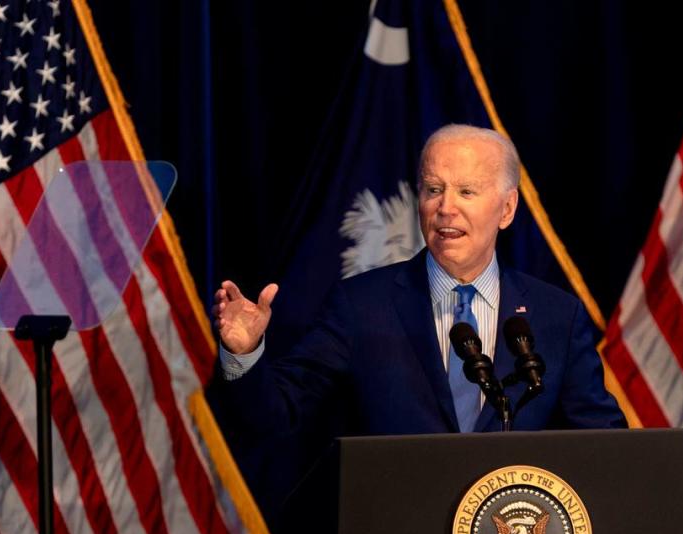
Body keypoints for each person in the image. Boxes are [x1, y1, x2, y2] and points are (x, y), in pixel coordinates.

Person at [213, 124, 626, 437]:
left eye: (466, 191)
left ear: (506, 208)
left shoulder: (556, 316)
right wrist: (244, 355)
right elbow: (275, 416)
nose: (445, 208)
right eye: (433, 189)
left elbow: (604, 446)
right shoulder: (361, 307)